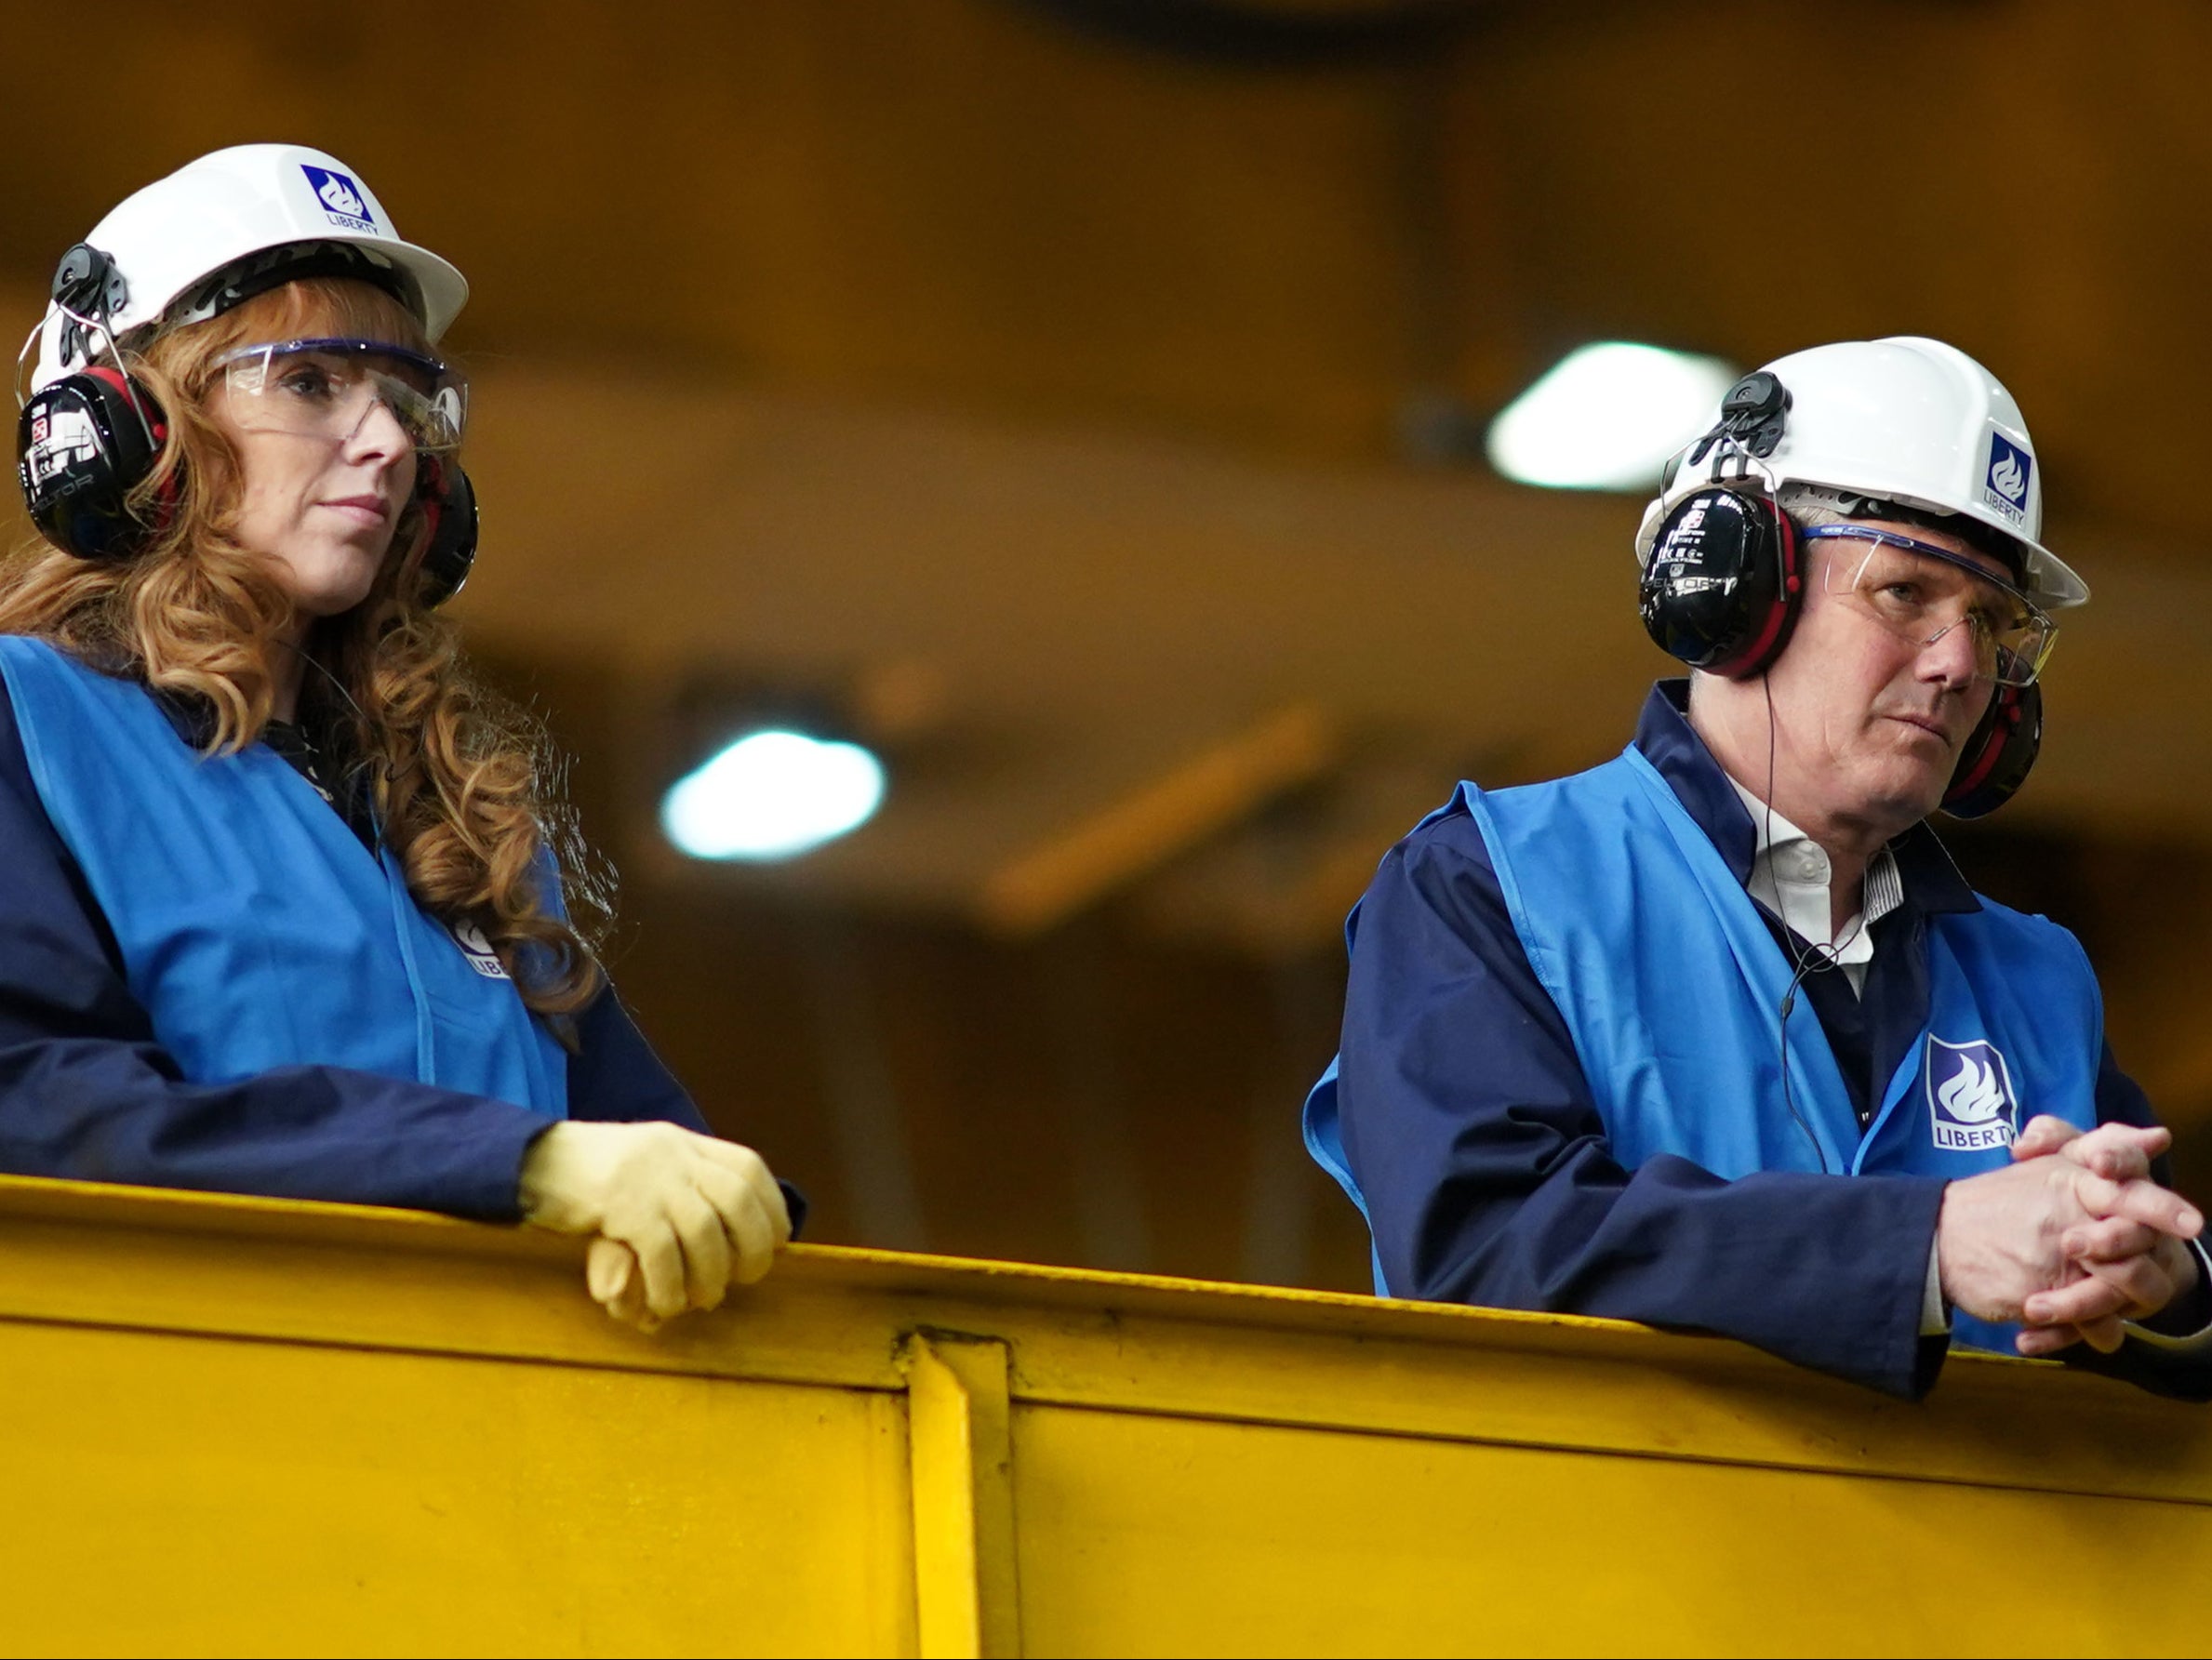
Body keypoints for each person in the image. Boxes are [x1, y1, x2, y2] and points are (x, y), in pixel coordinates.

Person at [1304, 337, 2212, 1399]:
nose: (1960, 662)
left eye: (1991, 621)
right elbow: (1480, 1252)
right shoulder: (1486, 884)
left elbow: (2161, 1383)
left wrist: (2167, 1292)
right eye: (1903, 592)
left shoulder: (2038, 980)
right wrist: (1922, 1249)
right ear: (1734, 588)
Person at [4, 144, 793, 1333]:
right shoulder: (27, 722)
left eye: (405, 397)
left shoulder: (459, 830)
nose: (385, 442)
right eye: (311, 381)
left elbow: (670, 1164)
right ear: (129, 423)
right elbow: (37, 1101)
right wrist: (518, 1166)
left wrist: (728, 1208)